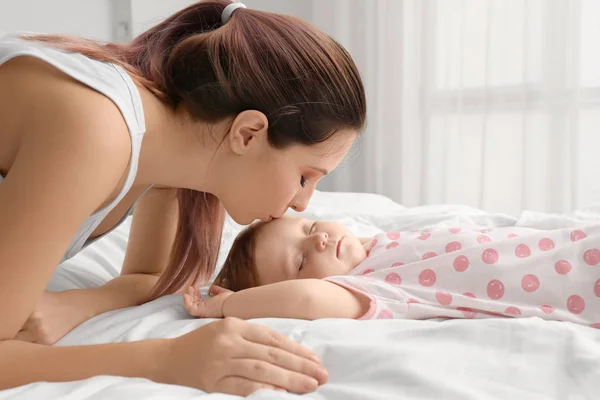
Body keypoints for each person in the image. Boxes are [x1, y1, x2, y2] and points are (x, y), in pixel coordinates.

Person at [0, 0, 366, 395]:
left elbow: (150, 277)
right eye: (304, 177)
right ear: (247, 134)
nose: (302, 204)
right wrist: (164, 358)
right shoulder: (96, 131)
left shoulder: (166, 152)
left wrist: (79, 303)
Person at [184, 216, 600, 328]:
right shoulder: (363, 288)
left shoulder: (378, 243)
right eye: (301, 261)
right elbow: (307, 300)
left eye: (310, 229)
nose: (319, 241)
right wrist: (229, 306)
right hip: (572, 284)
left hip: (576, 244)